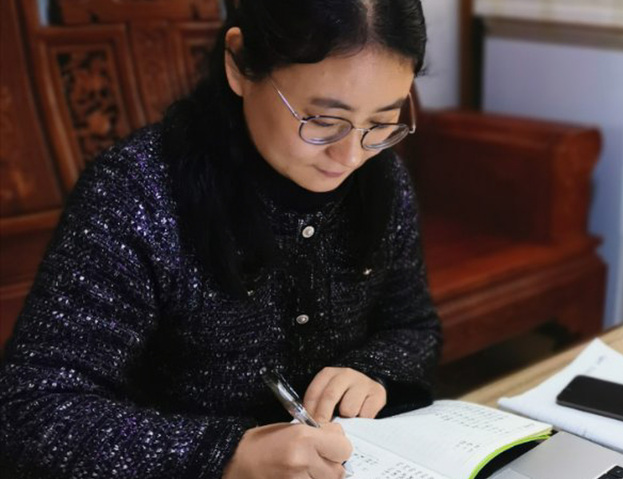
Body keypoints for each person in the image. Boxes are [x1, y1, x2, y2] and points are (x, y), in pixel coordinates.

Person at [0, 1, 441, 478]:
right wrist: (224, 453)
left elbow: (413, 326)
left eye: (381, 122)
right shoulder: (138, 193)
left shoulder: (381, 177)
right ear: (239, 62)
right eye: (322, 120)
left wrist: (373, 370)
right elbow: (30, 410)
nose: (351, 155)